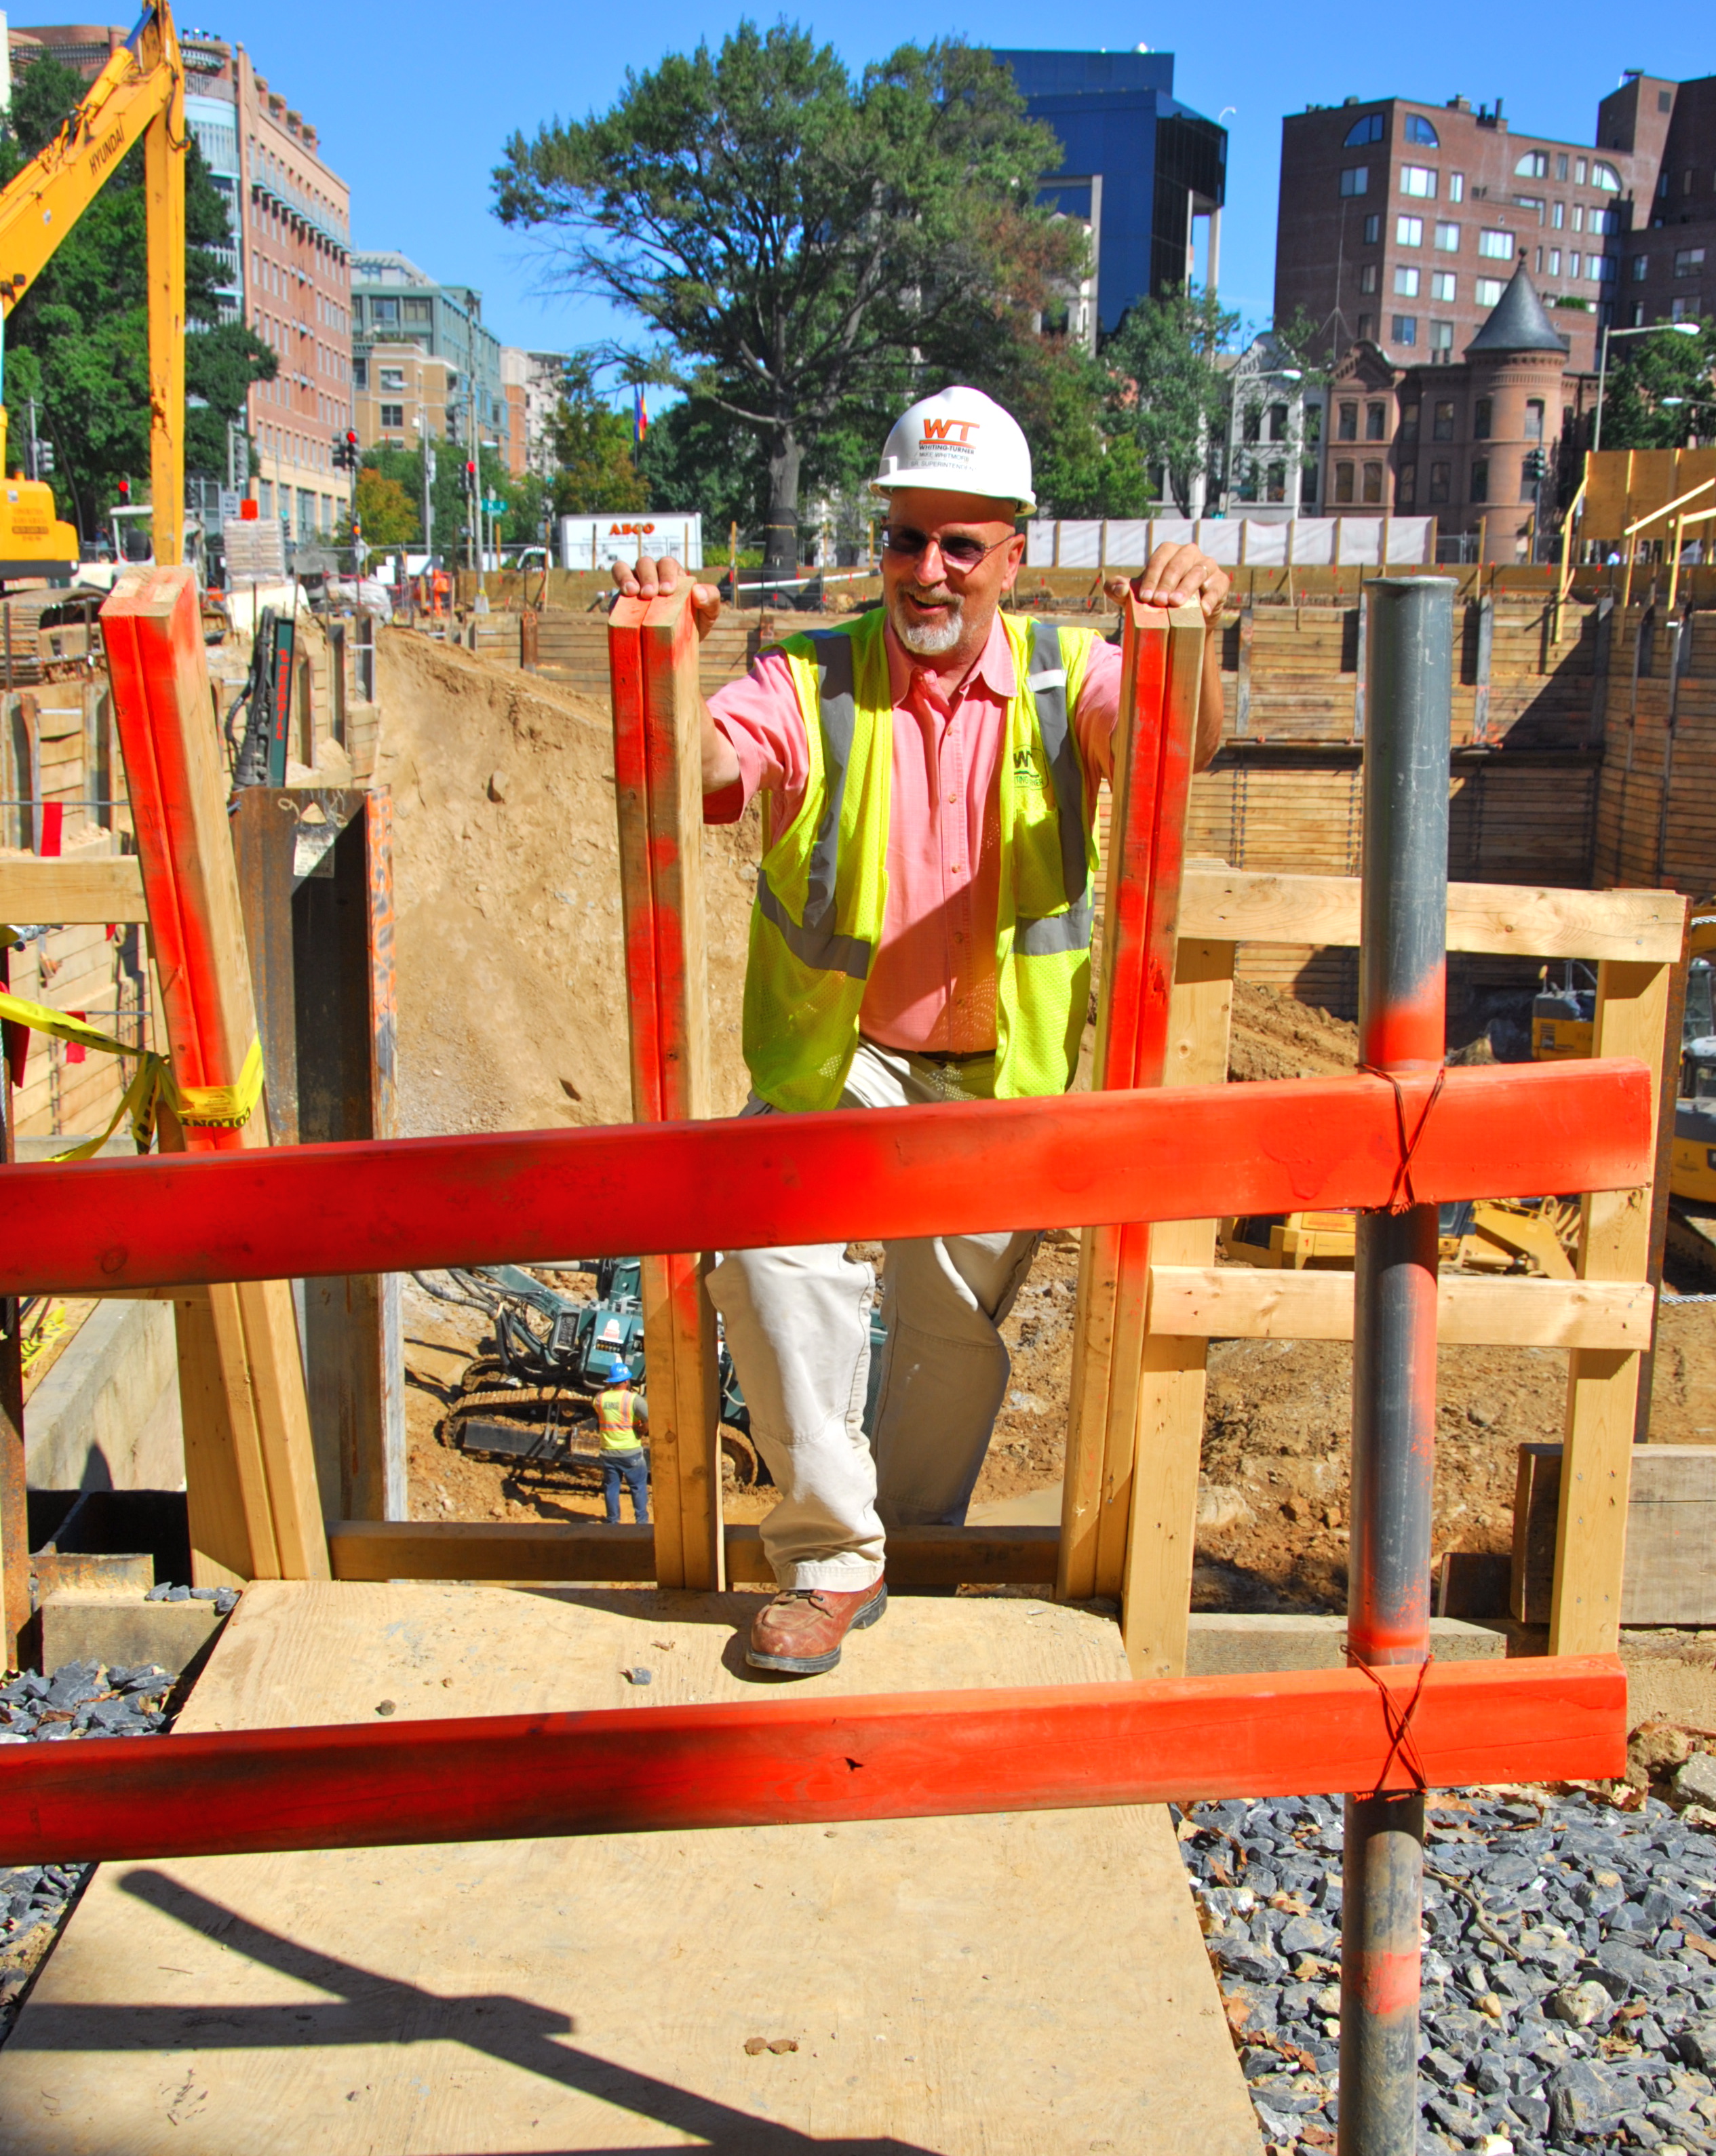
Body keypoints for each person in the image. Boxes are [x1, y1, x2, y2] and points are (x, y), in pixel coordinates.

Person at [614, 384, 1228, 1676]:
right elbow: (707, 773)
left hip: (1003, 1074)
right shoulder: (813, 676)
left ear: (1015, 552)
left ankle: (916, 1541)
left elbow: (1180, 750)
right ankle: (834, 1557)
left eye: (962, 542)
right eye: (907, 537)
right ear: (878, 541)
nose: (929, 569)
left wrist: (1192, 645)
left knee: (948, 1335)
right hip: (848, 1058)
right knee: (773, 1246)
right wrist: (670, 667)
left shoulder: (1072, 676)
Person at [595, 1358, 649, 1526]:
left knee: (611, 1487)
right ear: (626, 1381)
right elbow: (650, 1418)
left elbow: (602, 1403)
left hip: (608, 1452)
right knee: (638, 1487)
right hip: (630, 1451)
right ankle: (641, 1522)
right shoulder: (633, 1399)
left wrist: (608, 1387)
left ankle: (613, 1521)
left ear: (611, 1381)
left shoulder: (600, 1399)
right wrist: (642, 1431)